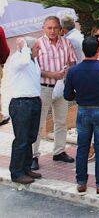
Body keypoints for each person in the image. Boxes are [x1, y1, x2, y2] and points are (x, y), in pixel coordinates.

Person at [63, 36, 99, 195]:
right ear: (98, 50)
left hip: (82, 110)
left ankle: (81, 182)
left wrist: (80, 96)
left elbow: (67, 95)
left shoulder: (74, 71)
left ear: (83, 50)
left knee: (82, 147)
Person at [33, 15, 77, 169]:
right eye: (49, 28)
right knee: (38, 123)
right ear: (44, 29)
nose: (52, 31)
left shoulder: (66, 43)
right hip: (43, 88)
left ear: (60, 29)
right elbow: (34, 68)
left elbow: (72, 62)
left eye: (55, 28)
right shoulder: (38, 44)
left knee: (61, 121)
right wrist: (52, 75)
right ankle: (33, 156)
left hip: (61, 88)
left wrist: (67, 72)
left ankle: (59, 151)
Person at [7, 37, 42, 185]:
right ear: (28, 49)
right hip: (21, 103)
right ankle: (16, 172)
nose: (39, 51)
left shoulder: (33, 60)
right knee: (21, 139)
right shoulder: (18, 59)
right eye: (36, 48)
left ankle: (26, 167)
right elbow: (24, 62)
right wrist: (24, 46)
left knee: (30, 137)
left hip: (33, 101)